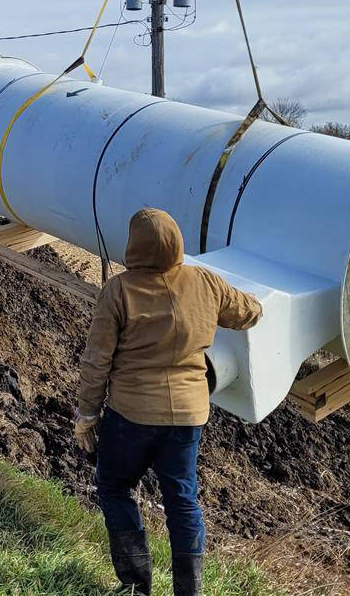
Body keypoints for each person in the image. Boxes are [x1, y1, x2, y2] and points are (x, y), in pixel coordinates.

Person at [75, 207, 263, 596]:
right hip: (188, 418)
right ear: (177, 241)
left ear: (133, 246)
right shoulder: (205, 282)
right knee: (181, 500)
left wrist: (87, 414)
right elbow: (248, 313)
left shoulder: (120, 290)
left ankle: (134, 587)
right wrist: (257, 302)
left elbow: (97, 361)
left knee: (114, 486)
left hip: (132, 415)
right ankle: (188, 592)